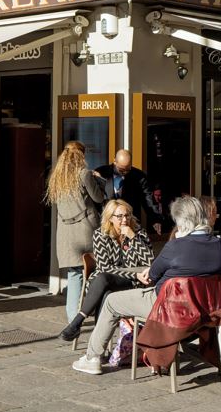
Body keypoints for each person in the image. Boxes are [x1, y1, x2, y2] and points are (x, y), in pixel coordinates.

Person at [71, 196, 221, 375]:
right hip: (207, 308)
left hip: (167, 306)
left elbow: (153, 273)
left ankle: (92, 358)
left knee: (112, 301)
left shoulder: (175, 246)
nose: (124, 220)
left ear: (181, 221)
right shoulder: (219, 245)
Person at [59, 199, 154, 342]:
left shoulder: (139, 233)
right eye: (120, 216)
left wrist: (133, 238)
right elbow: (105, 268)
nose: (124, 220)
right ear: (110, 218)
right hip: (107, 280)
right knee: (105, 286)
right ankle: (96, 346)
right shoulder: (100, 235)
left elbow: (150, 262)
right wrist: (134, 273)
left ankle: (79, 325)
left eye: (127, 215)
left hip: (132, 283)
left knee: (105, 285)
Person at [46, 141, 105, 322]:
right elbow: (98, 197)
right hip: (86, 229)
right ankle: (97, 309)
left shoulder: (56, 177)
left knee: (75, 273)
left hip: (66, 233)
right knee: (98, 269)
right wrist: (99, 179)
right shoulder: (84, 174)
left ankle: (73, 318)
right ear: (81, 156)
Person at [94, 150, 155, 233]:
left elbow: (148, 199)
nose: (125, 173)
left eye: (128, 169)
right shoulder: (101, 173)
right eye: (122, 170)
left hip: (129, 222)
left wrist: (155, 219)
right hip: (106, 222)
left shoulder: (139, 176)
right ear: (114, 161)